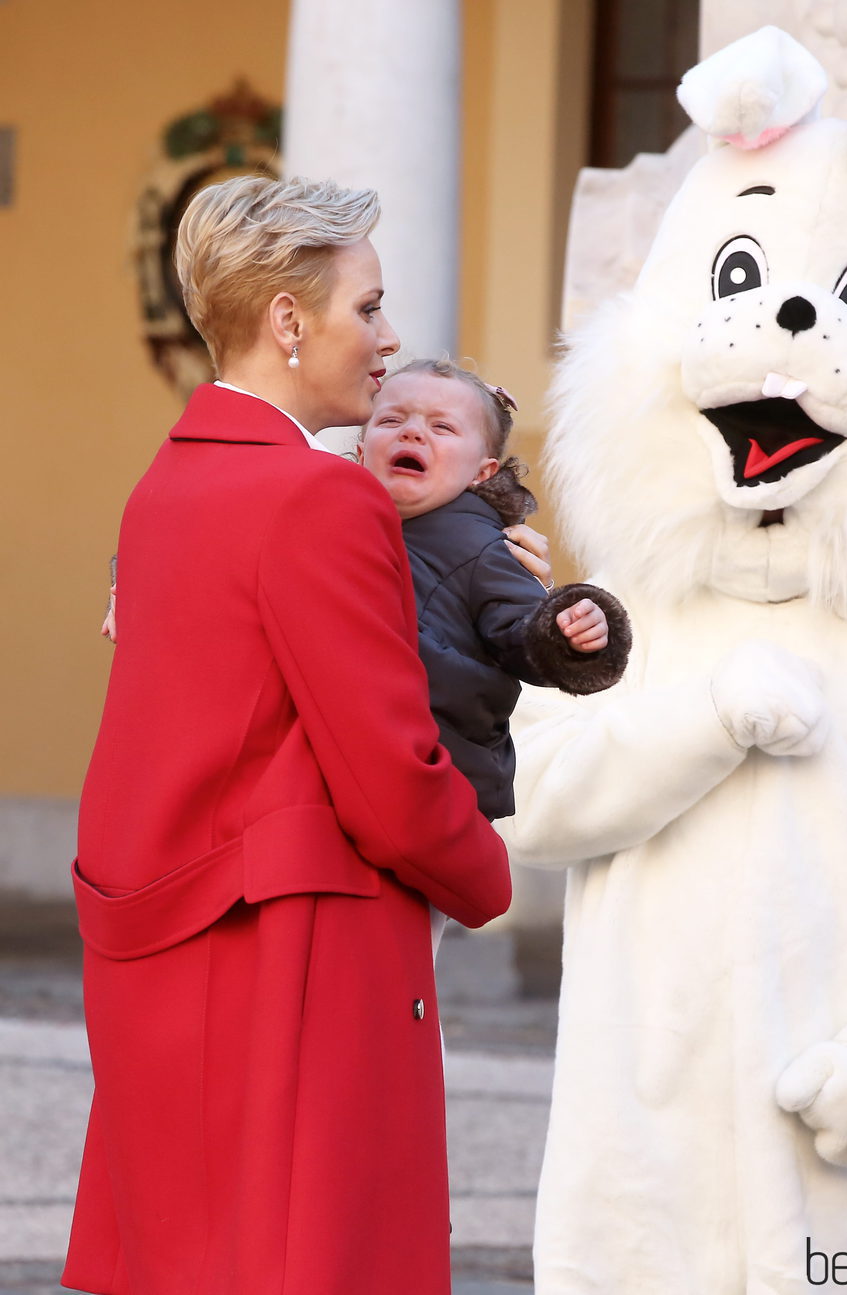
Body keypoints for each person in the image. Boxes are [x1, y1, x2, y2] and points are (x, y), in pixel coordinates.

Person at [64, 174, 511, 1295]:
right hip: (290, 958)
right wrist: (485, 867)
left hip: (166, 944)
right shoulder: (317, 498)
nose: (388, 337)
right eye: (367, 307)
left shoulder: (163, 486)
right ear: (286, 319)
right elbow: (387, 771)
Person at [358, 357, 632, 822]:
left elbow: (519, 632)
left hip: (445, 773)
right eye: (391, 419)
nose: (412, 432)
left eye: (442, 427)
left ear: (481, 473)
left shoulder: (482, 546)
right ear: (361, 449)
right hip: (368, 756)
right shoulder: (342, 527)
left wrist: (566, 632)